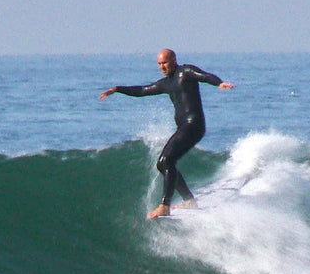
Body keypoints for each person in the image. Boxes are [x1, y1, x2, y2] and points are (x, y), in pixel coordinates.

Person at [100, 49, 234, 218]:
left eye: (165, 62)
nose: (162, 67)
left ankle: (165, 205)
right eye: (159, 64)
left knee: (166, 160)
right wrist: (117, 89)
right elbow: (142, 90)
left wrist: (219, 83)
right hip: (184, 127)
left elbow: (205, 76)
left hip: (193, 126)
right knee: (162, 164)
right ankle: (189, 201)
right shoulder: (166, 83)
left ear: (174, 60)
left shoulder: (186, 72)